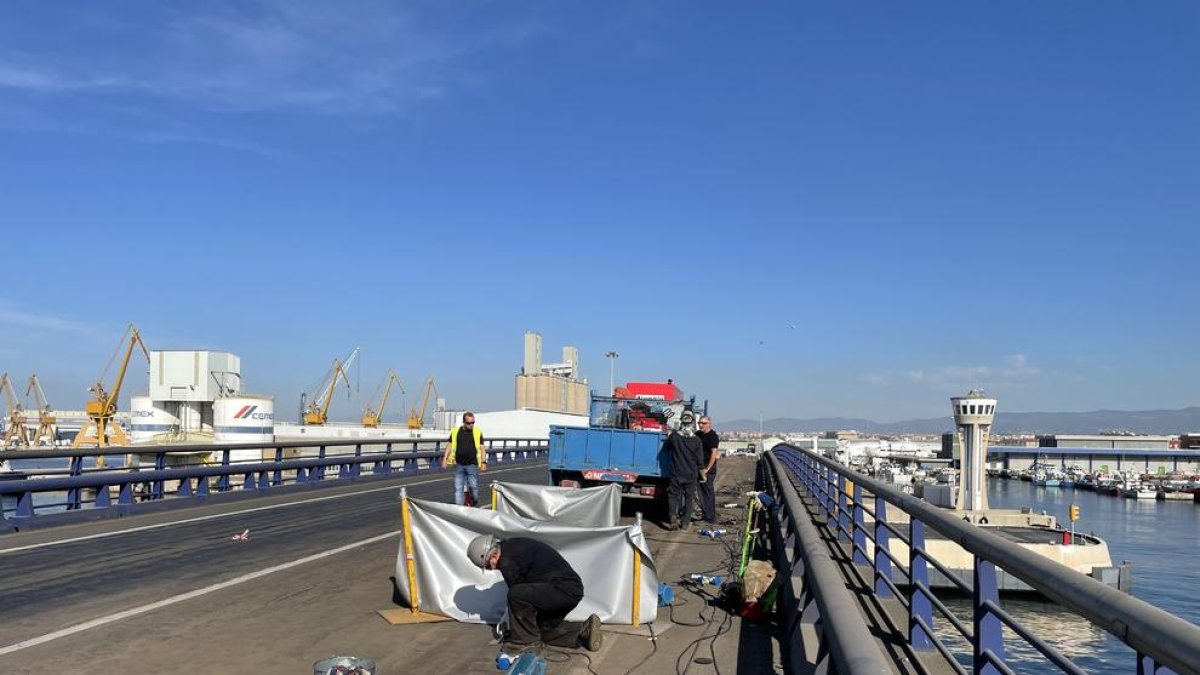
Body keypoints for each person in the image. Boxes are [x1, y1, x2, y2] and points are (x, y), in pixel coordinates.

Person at [466, 534, 603, 652]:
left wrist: (516, 632)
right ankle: (583, 632)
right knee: (539, 630)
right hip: (569, 590)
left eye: (488, 566)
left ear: (493, 554)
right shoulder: (510, 546)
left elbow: (517, 596)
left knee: (516, 595)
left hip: (563, 590)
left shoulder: (508, 561)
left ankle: (525, 643)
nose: (491, 569)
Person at [664, 410, 704, 531]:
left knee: (673, 497)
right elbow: (700, 461)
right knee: (689, 498)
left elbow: (666, 447)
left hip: (676, 473)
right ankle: (685, 523)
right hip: (691, 475)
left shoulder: (675, 437)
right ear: (692, 422)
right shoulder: (697, 440)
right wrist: (703, 475)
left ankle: (673, 516)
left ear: (681, 420)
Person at [442, 411, 486, 506]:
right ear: (463, 422)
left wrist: (484, 462)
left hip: (472, 465)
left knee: (473, 487)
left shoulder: (477, 432)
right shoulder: (455, 431)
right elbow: (449, 445)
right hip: (458, 465)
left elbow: (482, 448)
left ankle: (474, 500)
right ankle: (459, 510)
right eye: (469, 423)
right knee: (458, 489)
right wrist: (444, 459)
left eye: (473, 422)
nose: (471, 425)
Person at [696, 416, 721, 524]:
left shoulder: (712, 436)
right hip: (699, 468)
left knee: (708, 492)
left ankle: (710, 517)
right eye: (699, 423)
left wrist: (707, 469)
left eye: (703, 423)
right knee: (701, 492)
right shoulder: (698, 435)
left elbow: (714, 453)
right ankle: (705, 515)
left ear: (709, 424)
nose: (701, 425)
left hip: (707, 469)